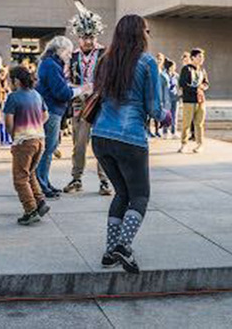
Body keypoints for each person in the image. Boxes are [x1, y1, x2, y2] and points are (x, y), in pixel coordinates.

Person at [91, 15, 170, 274]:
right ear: (140, 34)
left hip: (100, 136)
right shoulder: (147, 62)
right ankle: (123, 247)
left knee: (121, 194)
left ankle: (108, 252)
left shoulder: (104, 60)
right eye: (147, 30)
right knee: (139, 196)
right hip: (130, 138)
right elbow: (154, 108)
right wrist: (166, 116)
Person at [63, 0, 111, 196]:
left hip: (101, 103)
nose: (87, 41)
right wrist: (78, 89)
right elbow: (66, 79)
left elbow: (112, 78)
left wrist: (98, 90)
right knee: (79, 144)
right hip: (80, 104)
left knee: (101, 143)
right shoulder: (72, 56)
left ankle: (105, 181)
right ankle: (76, 179)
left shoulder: (105, 53)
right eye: (83, 37)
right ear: (77, 37)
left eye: (90, 37)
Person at [36, 36, 90, 198]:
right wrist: (82, 89)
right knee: (47, 149)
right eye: (68, 52)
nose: (69, 55)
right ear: (60, 50)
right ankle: (41, 184)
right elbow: (61, 92)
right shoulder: (52, 65)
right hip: (51, 111)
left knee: (49, 148)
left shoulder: (49, 63)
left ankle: (44, 182)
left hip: (51, 110)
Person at [4, 65, 51, 225]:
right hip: (40, 139)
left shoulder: (13, 97)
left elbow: (8, 122)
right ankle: (40, 202)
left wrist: (14, 135)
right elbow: (46, 115)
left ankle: (30, 210)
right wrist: (35, 124)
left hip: (23, 141)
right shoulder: (36, 95)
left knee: (20, 178)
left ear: (16, 81)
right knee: (30, 173)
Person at [178, 48, 209, 153]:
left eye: (202, 57)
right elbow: (182, 84)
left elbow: (206, 83)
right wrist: (195, 89)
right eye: (199, 56)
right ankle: (184, 144)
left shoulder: (202, 70)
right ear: (193, 58)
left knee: (199, 123)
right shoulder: (186, 69)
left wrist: (203, 87)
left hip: (200, 100)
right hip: (189, 100)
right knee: (186, 123)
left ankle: (200, 144)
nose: (202, 59)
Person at [164, 60, 179, 138]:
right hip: (166, 98)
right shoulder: (163, 75)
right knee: (166, 115)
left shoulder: (176, 75)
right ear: (170, 67)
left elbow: (179, 86)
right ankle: (165, 132)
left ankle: (174, 132)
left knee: (174, 115)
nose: (175, 67)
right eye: (173, 66)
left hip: (175, 97)